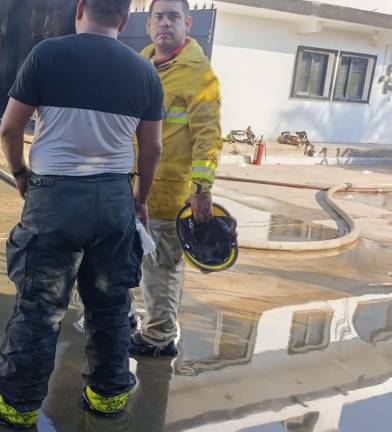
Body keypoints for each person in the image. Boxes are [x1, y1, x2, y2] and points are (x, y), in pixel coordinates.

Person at [0, 0, 165, 428]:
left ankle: (13, 404)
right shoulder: (144, 71)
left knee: (40, 306)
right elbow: (152, 149)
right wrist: (140, 199)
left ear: (80, 8)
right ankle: (107, 398)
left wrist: (21, 172)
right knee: (112, 304)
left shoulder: (48, 54)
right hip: (116, 200)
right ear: (124, 18)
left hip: (55, 199)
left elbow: (9, 129)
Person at [128, 0, 223, 358]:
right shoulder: (141, 63)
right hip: (133, 188)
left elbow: (208, 136)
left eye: (172, 17)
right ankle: (130, 320)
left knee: (161, 268)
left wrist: (201, 189)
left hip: (170, 195)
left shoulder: (199, 75)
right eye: (158, 17)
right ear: (149, 24)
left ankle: (160, 336)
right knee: (127, 260)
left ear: (187, 22)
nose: (164, 23)